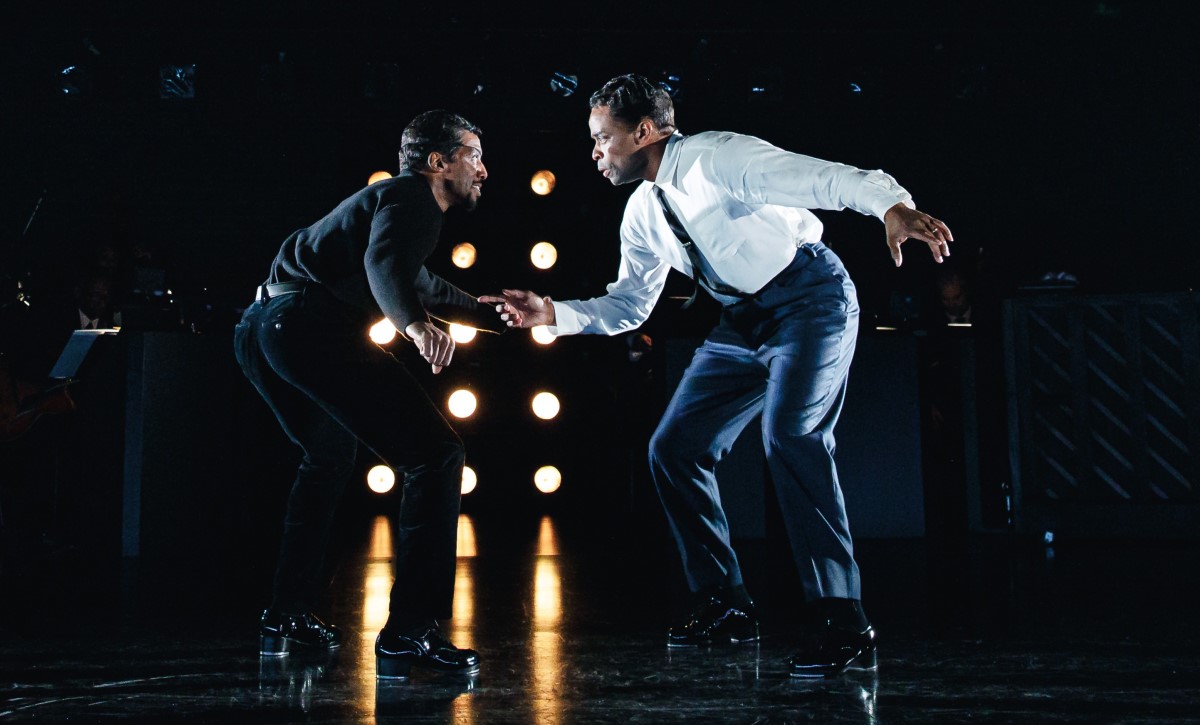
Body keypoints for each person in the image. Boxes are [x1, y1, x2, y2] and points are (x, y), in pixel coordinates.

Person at [483, 74, 953, 678]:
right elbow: (629, 305)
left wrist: (890, 204)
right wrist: (553, 314)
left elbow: (823, 177)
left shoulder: (718, 157)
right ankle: (725, 604)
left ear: (645, 131)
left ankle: (844, 618)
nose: (594, 153)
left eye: (604, 139)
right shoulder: (642, 213)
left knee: (791, 436)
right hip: (744, 321)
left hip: (811, 299)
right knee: (674, 448)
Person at [233, 109, 503, 679]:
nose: (483, 170)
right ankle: (410, 632)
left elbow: (414, 280)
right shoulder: (412, 198)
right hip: (305, 326)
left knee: (328, 457)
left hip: (262, 326)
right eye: (474, 157)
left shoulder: (396, 209)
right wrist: (414, 327)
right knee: (437, 455)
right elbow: (386, 269)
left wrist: (492, 315)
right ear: (438, 163)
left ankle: (286, 615)